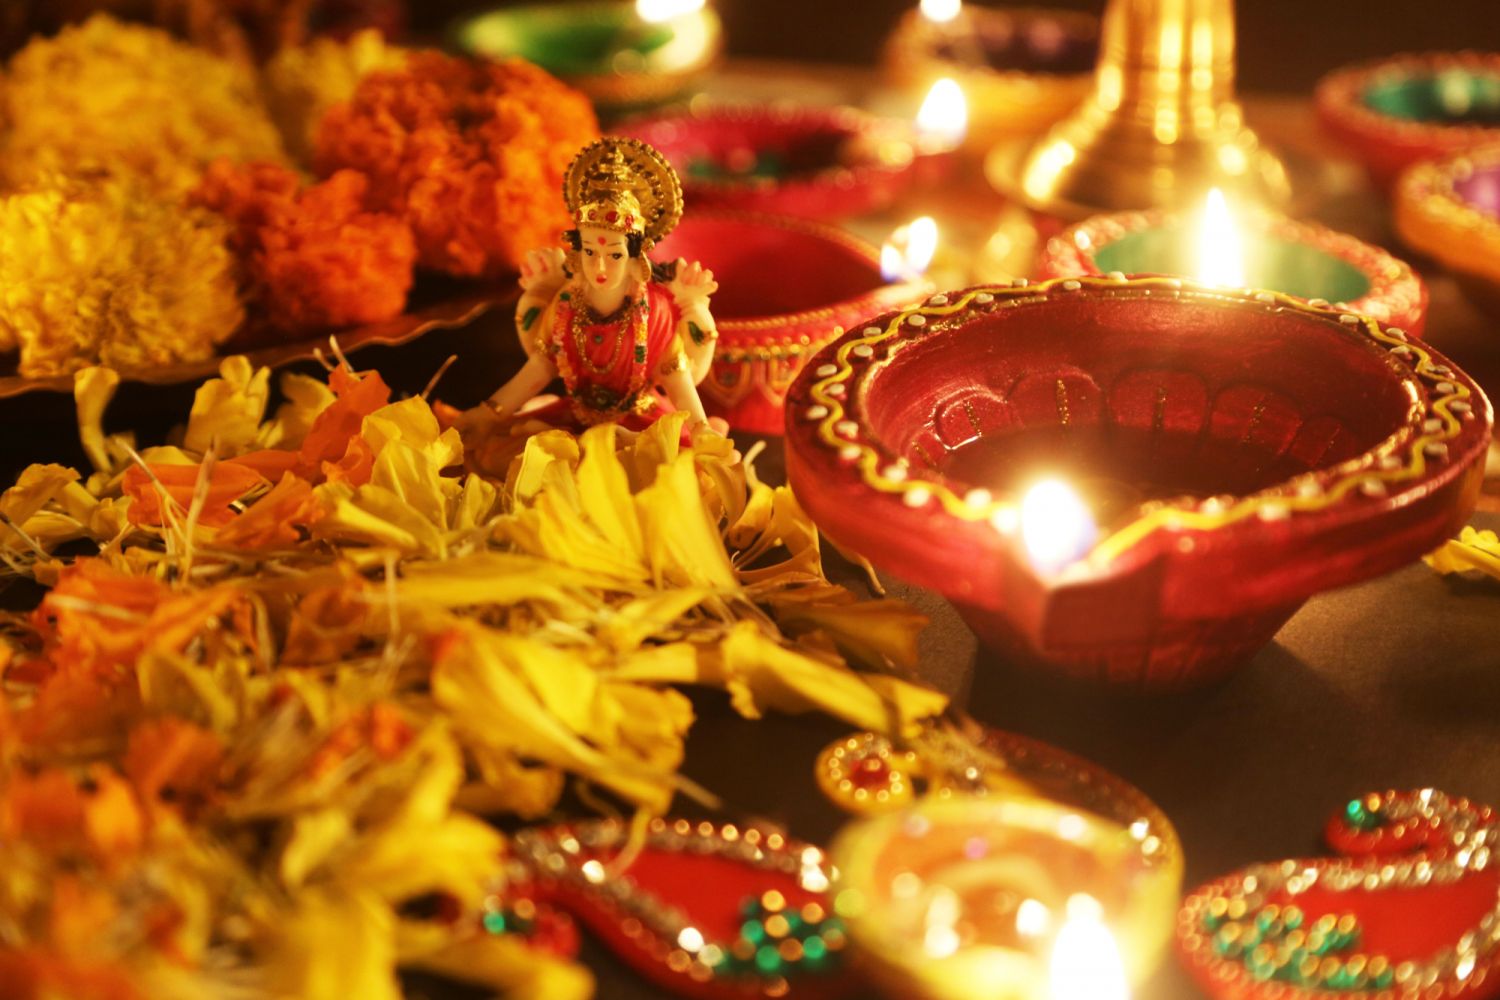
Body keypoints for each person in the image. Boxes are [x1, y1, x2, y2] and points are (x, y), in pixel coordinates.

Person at [479, 137, 721, 437]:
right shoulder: (567, 301)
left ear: (636, 259)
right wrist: (491, 411)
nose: (600, 267)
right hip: (574, 420)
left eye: (615, 255)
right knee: (509, 443)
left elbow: (675, 374)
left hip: (639, 423)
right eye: (591, 252)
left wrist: (700, 428)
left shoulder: (654, 310)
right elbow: (542, 365)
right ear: (577, 253)